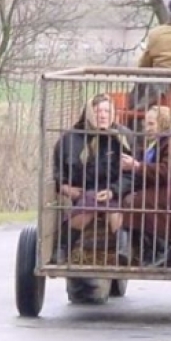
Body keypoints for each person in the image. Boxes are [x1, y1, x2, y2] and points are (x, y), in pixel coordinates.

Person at [52, 94, 134, 264]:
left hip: (115, 191)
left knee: (115, 211)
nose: (103, 115)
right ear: (88, 113)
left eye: (107, 111)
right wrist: (65, 187)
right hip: (85, 190)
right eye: (97, 111)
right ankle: (62, 248)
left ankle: (123, 251)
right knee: (87, 206)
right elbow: (59, 168)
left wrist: (113, 191)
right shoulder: (71, 138)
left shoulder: (124, 137)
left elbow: (132, 174)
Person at [120, 106, 171, 267]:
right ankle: (139, 249)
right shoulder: (163, 139)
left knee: (141, 202)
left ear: (164, 123)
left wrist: (137, 166)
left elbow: (170, 171)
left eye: (151, 124)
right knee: (131, 198)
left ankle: (163, 248)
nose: (146, 129)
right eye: (145, 124)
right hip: (165, 185)